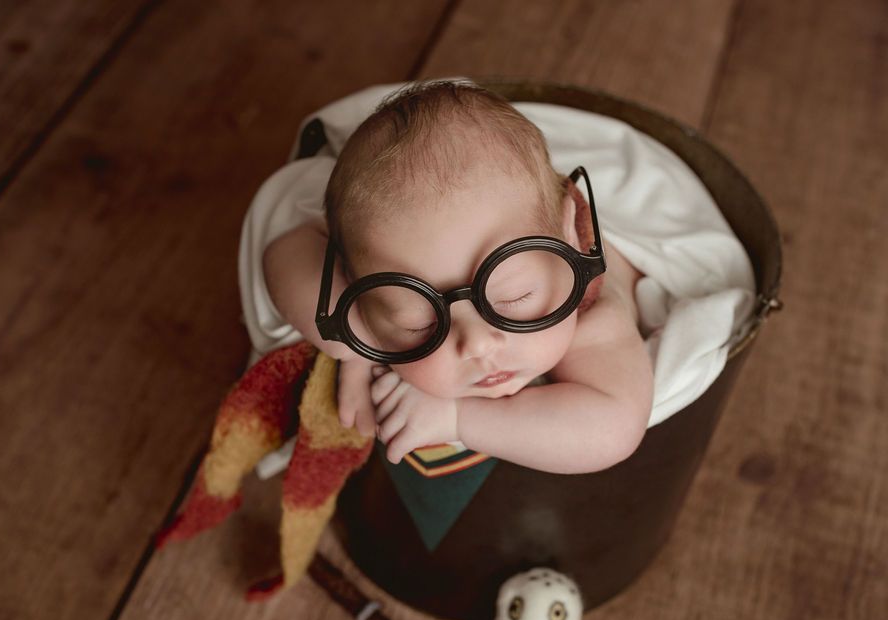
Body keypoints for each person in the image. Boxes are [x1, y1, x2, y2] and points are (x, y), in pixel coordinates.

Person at [262, 80, 654, 474]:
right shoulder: (378, 280)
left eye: (514, 298)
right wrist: (355, 344)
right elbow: (285, 255)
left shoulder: (590, 311)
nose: (478, 345)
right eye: (421, 323)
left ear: (567, 235)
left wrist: (459, 419)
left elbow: (613, 427)